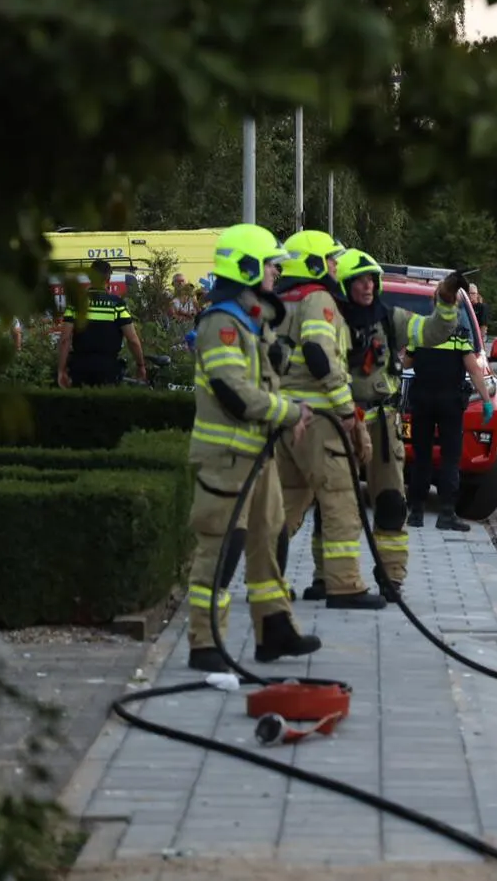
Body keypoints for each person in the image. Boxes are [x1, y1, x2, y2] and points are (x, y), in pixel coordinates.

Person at [183, 223, 322, 674]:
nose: (276, 275)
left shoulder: (248, 321)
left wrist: (288, 406)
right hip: (226, 462)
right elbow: (236, 394)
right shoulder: (221, 325)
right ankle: (206, 643)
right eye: (269, 267)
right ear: (245, 268)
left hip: (256, 460)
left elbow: (265, 381)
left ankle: (273, 630)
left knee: (270, 541)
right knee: (222, 551)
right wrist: (288, 413)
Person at [288, 249, 464, 599]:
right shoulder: (328, 316)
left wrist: (445, 301)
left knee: (391, 503)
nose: (368, 286)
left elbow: (431, 332)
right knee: (332, 505)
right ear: (346, 283)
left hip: (382, 424)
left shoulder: (389, 318)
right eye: (360, 280)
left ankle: (391, 577)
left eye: (372, 279)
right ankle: (326, 577)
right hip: (340, 423)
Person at [271, 229, 389, 610]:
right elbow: (320, 355)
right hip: (320, 419)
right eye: (332, 259)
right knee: (340, 499)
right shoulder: (318, 298)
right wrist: (345, 411)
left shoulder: (278, 301)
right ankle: (344, 586)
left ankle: (266, 581)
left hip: (286, 419)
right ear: (314, 263)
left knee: (286, 504)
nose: (337, 266)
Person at [404, 271, 496, 533]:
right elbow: (474, 369)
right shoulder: (459, 332)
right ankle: (446, 514)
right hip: (450, 403)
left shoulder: (421, 330)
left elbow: (407, 362)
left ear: (433, 304)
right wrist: (487, 400)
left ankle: (416, 514)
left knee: (420, 457)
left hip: (421, 401)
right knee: (449, 458)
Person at [57, 259, 146, 387]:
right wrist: (140, 365)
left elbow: (65, 339)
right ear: (108, 279)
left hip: (80, 367)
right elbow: (132, 340)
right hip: (108, 369)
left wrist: (61, 370)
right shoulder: (117, 305)